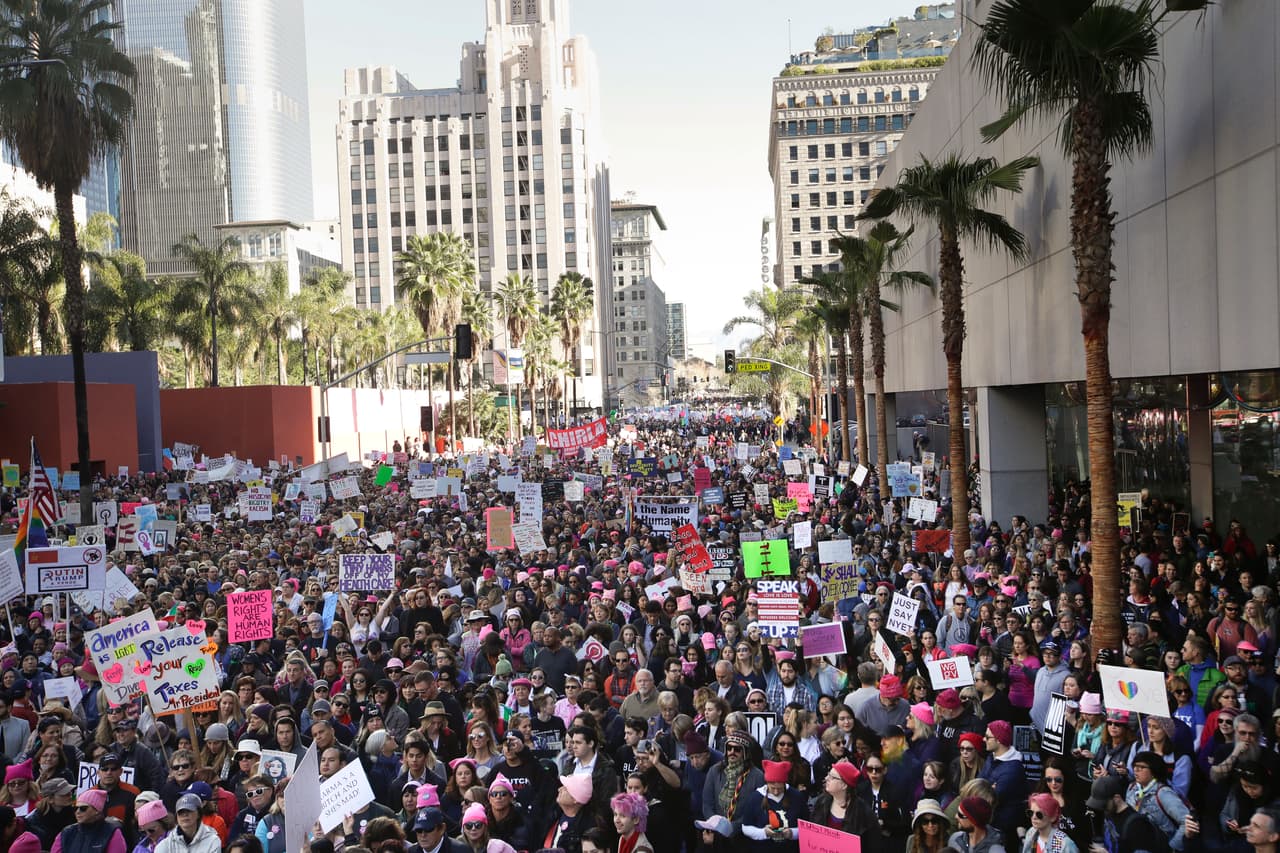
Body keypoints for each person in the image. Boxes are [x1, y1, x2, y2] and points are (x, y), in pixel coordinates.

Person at [1085, 775, 1165, 853]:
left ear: (1117, 798)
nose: (1101, 808)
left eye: (1104, 804)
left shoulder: (1137, 825)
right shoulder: (1109, 812)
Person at [50, 789, 127, 853]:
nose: (78, 812)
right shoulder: (67, 832)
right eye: (75, 808)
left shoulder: (111, 832)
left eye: (83, 808)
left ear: (97, 810)